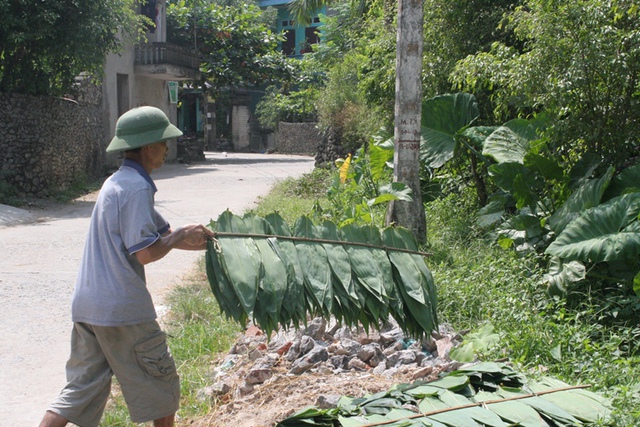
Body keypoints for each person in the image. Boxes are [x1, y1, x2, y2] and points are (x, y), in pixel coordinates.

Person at [39, 106, 215, 427]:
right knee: (162, 388)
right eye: (163, 143)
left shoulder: (118, 182)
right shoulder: (137, 189)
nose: (166, 149)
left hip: (89, 307)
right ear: (148, 147)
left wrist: (208, 242)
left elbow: (164, 233)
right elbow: (146, 253)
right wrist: (179, 236)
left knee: (79, 392)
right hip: (123, 309)